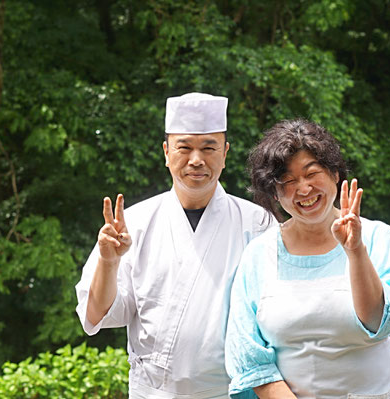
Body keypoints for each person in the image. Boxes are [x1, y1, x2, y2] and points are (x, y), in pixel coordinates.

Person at [75, 92, 274, 399]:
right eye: (185, 148)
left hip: (230, 392)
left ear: (225, 153)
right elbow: (96, 315)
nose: (197, 160)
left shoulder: (258, 223)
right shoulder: (133, 224)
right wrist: (108, 261)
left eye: (209, 148)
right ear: (167, 152)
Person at [224, 119, 390, 399]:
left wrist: (355, 251)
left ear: (333, 173)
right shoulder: (259, 254)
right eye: (288, 181)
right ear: (274, 193)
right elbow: (249, 356)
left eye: (311, 173)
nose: (303, 189)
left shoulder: (377, 237)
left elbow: (378, 321)